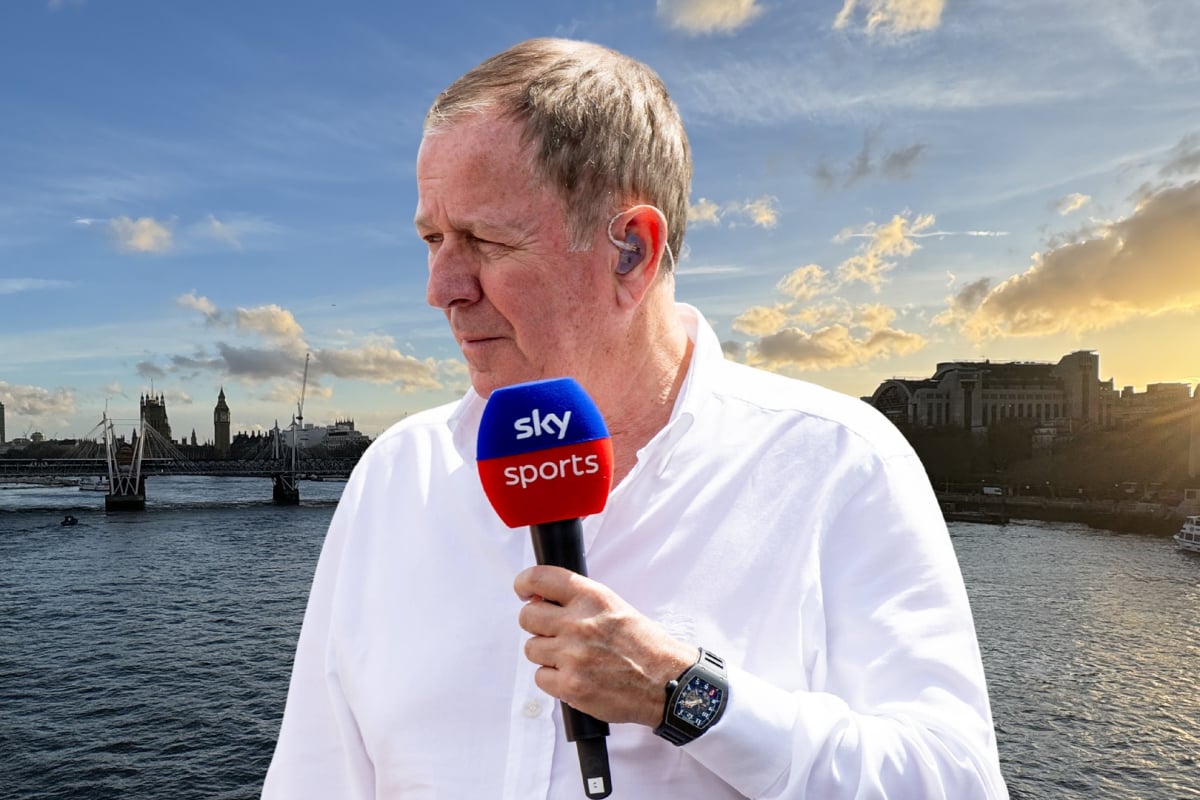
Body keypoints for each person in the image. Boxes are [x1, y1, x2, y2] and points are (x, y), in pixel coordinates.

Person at [263, 38, 1009, 799]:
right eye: (431, 240)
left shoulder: (841, 465)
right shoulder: (395, 477)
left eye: (485, 241)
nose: (442, 288)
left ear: (631, 251)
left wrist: (681, 693)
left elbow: (956, 782)